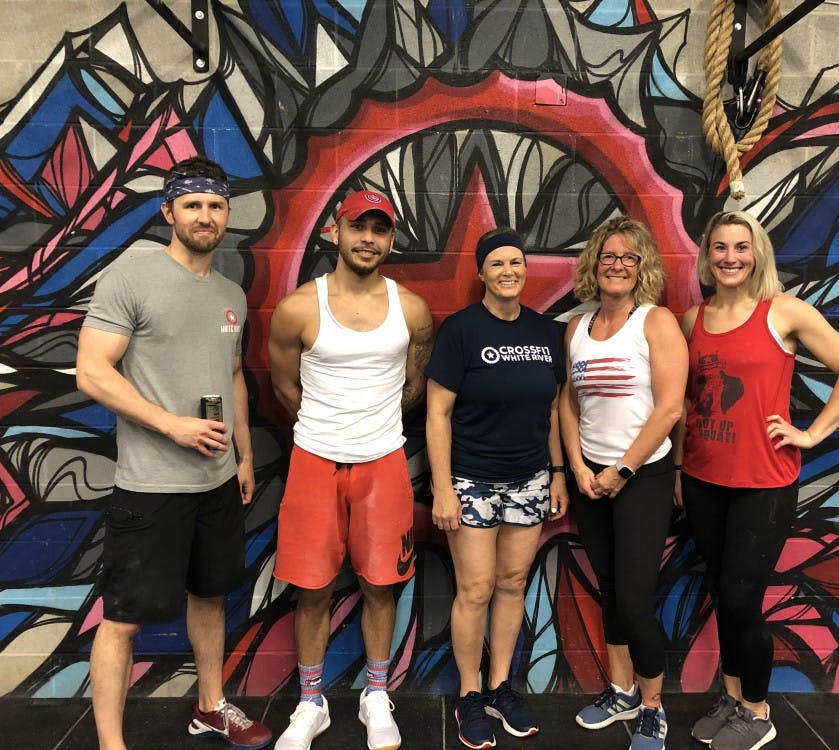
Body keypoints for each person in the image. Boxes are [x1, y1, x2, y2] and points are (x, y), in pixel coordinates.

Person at [76, 156, 272, 750]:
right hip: (151, 484)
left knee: (210, 596)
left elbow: (233, 374)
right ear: (169, 212)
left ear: (227, 215)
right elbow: (90, 371)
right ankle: (112, 744)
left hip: (215, 484)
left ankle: (211, 707)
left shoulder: (229, 291)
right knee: (123, 619)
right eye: (192, 205)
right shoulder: (132, 277)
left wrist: (241, 455)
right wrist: (170, 425)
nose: (204, 216)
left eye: (214, 205)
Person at [676, 211, 839, 750]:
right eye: (720, 248)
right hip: (702, 478)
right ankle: (733, 698)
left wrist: (811, 434)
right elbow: (690, 399)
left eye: (742, 247)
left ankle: (758, 712)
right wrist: (677, 464)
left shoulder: (782, 312)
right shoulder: (694, 319)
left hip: (764, 482)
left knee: (742, 599)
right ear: (707, 255)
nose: (731, 257)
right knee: (722, 592)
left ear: (757, 253)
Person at [268, 190, 433, 750]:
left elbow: (414, 385)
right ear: (334, 232)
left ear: (390, 240)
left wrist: (370, 426)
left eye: (380, 230)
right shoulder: (298, 308)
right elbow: (284, 387)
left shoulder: (411, 309)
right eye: (357, 227)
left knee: (380, 585)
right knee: (312, 590)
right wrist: (328, 428)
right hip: (314, 461)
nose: (368, 238)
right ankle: (311, 702)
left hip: (383, 463)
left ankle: (376, 695)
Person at [425, 228, 569, 750]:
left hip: (529, 478)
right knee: (476, 588)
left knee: (512, 584)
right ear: (481, 273)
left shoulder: (546, 332)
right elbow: (437, 413)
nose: (509, 270)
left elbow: (552, 410)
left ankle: (499, 685)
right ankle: (469, 694)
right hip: (471, 480)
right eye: (497, 263)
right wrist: (443, 488)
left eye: (517, 262)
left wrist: (557, 473)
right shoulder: (461, 331)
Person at [558, 216, 687, 750]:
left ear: (642, 268)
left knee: (635, 600)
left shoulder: (655, 323)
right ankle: (620, 691)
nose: (616, 265)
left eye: (627, 258)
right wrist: (580, 468)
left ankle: (653, 707)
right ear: (594, 264)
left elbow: (670, 408)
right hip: (591, 477)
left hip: (641, 477)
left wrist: (620, 472)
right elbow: (567, 402)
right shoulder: (577, 327)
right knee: (609, 590)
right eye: (608, 256)